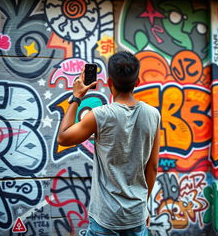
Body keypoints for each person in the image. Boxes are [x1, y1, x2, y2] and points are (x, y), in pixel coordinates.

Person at [57, 51, 161, 236]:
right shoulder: (153, 115)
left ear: (109, 82)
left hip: (105, 219)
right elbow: (152, 167)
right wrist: (144, 206)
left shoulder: (100, 115)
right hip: (136, 216)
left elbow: (63, 138)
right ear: (137, 82)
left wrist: (76, 97)